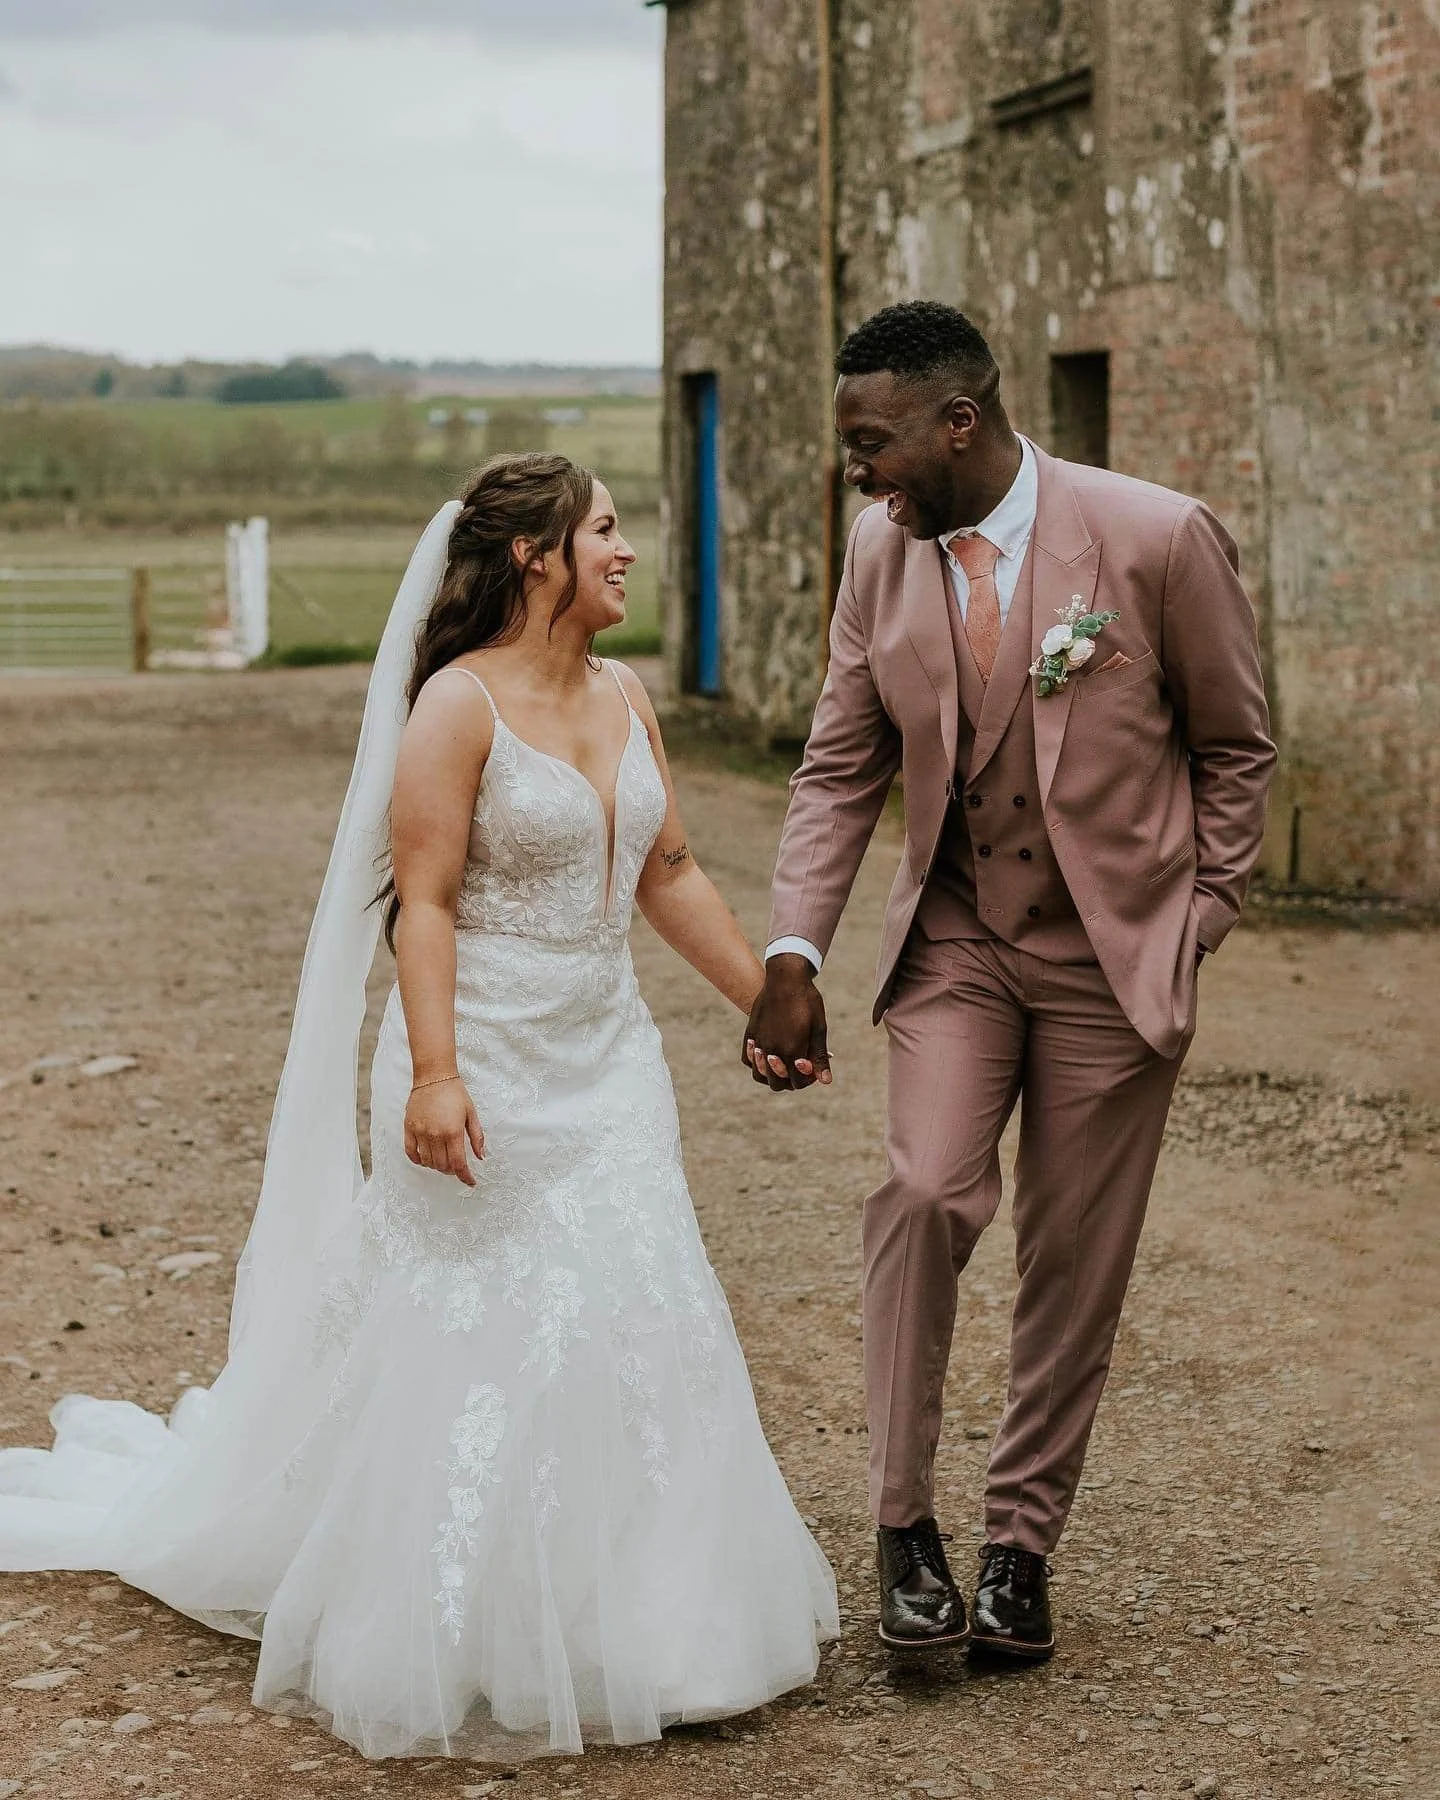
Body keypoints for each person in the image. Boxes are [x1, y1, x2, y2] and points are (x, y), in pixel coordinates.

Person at [0, 454, 837, 1760]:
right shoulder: (457, 707)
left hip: (608, 1058)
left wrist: (764, 994)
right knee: (483, 1331)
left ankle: (663, 1626)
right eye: (606, 532)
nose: (628, 553)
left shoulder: (624, 694)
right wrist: (436, 1073)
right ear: (535, 556)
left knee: (640, 1300)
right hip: (483, 1054)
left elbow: (667, 866)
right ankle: (464, 1620)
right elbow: (427, 902)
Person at [745, 301, 1276, 1660]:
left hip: (1115, 965)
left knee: (1073, 1264)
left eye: (874, 441)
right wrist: (793, 951)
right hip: (958, 947)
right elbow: (840, 762)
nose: (857, 470)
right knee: (922, 1192)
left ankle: (1020, 1549)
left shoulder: (1158, 537)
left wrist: (1198, 917)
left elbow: (1235, 746)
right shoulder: (883, 552)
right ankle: (903, 1530)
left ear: (958, 423)